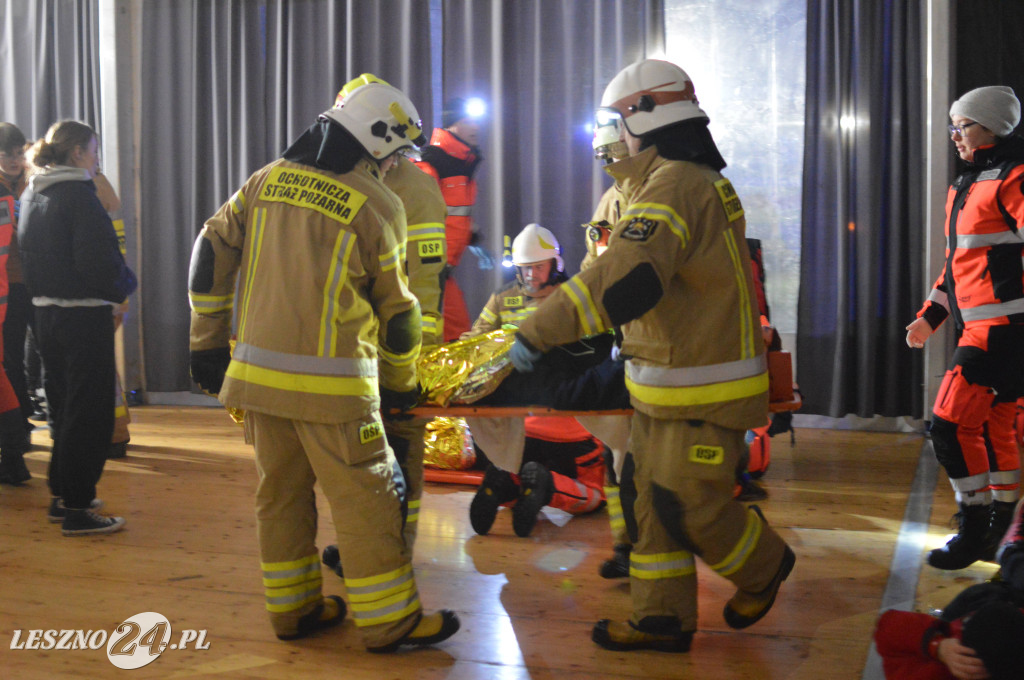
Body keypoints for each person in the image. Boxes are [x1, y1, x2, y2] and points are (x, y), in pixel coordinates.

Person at [510, 59, 795, 652]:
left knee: (689, 505)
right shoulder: (668, 182)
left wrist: (540, 332)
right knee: (652, 503)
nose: (609, 135)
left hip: (702, 386)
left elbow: (626, 276)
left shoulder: (677, 185)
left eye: (614, 120)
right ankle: (660, 619)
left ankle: (765, 565)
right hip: (668, 381)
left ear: (645, 116)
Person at [188, 74, 458, 651]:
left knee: (280, 497)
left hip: (258, 385)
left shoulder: (266, 179)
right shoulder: (378, 204)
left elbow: (210, 249)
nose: (396, 163)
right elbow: (400, 315)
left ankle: (293, 611)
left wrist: (205, 342)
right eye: (395, 152)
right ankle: (389, 623)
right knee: (368, 501)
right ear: (375, 142)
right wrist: (400, 385)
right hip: (335, 395)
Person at [906, 86, 1024, 570]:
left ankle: (974, 532)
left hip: (1003, 329)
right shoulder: (965, 184)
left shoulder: (1014, 177)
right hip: (983, 327)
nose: (954, 135)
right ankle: (999, 529)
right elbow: (957, 265)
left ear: (991, 127)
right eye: (952, 125)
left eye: (963, 125)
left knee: (950, 427)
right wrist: (930, 317)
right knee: (996, 429)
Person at [18, 120, 136, 535]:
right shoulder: (79, 197)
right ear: (77, 153)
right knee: (89, 414)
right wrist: (126, 285)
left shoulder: (34, 192)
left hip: (46, 316)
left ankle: (63, 494)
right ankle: (78, 509)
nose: (97, 158)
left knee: (64, 407)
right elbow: (98, 263)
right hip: (83, 319)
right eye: (94, 150)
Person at [874, 500, 1024, 680]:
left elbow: (888, 627)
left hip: (975, 618)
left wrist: (938, 646)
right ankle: (1011, 553)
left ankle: (1011, 552)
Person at [381, 147, 447, 550]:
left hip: (402, 348)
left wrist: (418, 359)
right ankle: (368, 543)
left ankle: (397, 547)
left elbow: (425, 280)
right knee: (362, 456)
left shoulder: (416, 191)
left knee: (402, 447)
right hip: (355, 347)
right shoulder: (352, 178)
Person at [415, 97, 490, 341]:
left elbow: (454, 214)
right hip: (426, 275)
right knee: (442, 339)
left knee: (455, 337)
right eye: (468, 122)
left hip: (441, 273)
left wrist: (472, 237)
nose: (475, 128)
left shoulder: (463, 164)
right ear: (452, 125)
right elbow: (417, 218)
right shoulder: (430, 163)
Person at [0, 123, 34, 485]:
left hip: (36, 282)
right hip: (8, 287)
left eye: (17, 152)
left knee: (48, 353)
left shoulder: (35, 180)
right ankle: (19, 428)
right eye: (6, 153)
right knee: (10, 361)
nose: (13, 160)